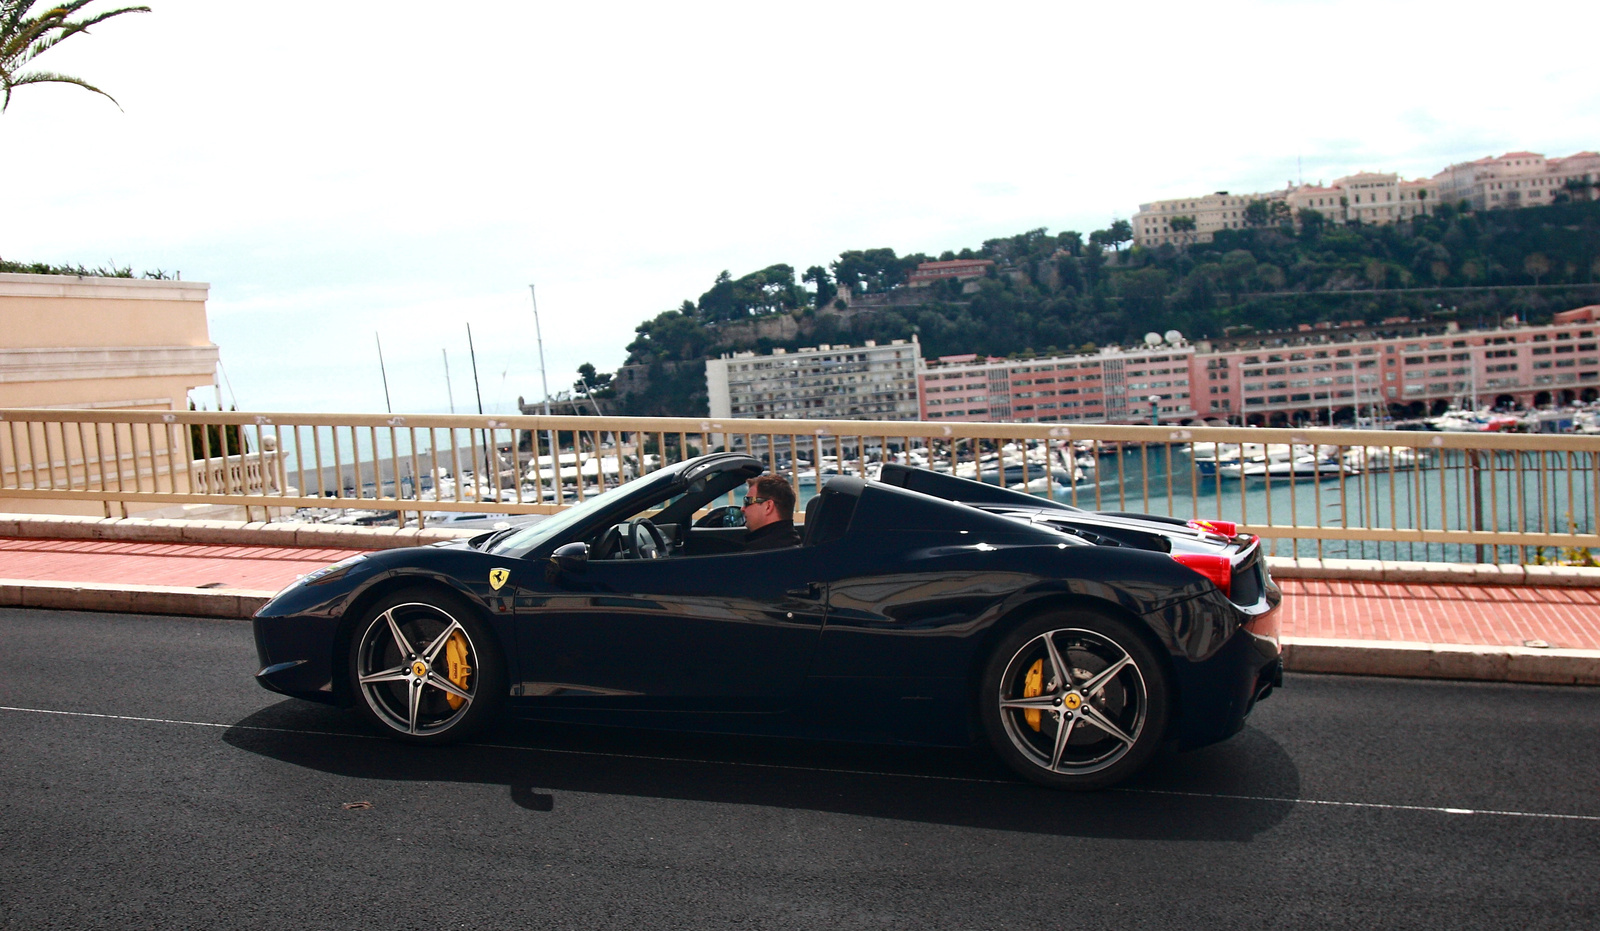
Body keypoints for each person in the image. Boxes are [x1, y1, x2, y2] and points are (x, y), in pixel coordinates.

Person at [741, 473, 801, 551]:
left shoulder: (757, 555)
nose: (742, 508)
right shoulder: (793, 545)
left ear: (768, 506)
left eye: (747, 502)